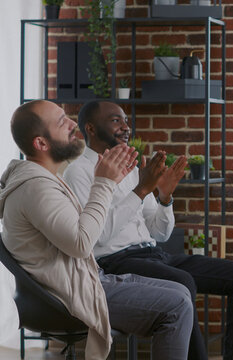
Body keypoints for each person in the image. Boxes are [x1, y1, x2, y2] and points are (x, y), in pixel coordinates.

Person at [63, 100, 233, 360]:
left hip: (154, 255)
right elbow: (96, 237)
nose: (125, 127)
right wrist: (141, 190)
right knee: (182, 281)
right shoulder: (78, 172)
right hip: (115, 263)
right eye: (115, 120)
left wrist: (165, 197)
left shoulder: (132, 170)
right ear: (90, 128)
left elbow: (159, 233)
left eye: (126, 121)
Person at [0, 100, 194, 360]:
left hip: (83, 279)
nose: (72, 125)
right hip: (65, 295)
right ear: (41, 144)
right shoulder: (37, 188)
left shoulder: (44, 181)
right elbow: (82, 243)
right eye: (61, 122)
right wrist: (104, 182)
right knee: (177, 304)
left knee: (180, 291)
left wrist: (116, 183)